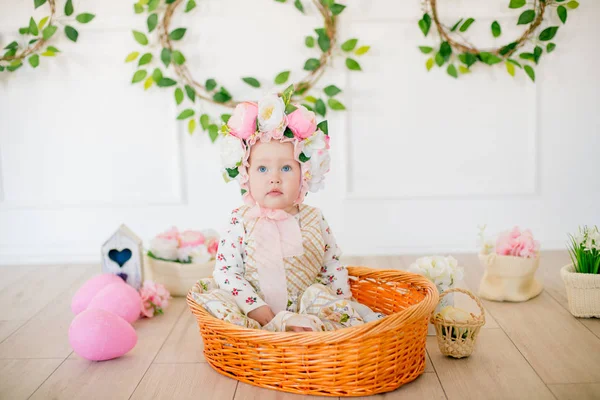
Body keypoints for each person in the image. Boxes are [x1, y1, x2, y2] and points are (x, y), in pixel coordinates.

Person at [191, 87, 383, 332]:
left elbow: (331, 266)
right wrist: (256, 308)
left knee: (329, 302)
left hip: (308, 313)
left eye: (286, 168)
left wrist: (342, 301)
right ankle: (270, 328)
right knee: (217, 302)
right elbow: (227, 272)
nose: (274, 178)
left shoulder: (314, 218)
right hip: (255, 316)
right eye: (262, 169)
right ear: (245, 175)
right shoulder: (240, 221)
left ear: (304, 174)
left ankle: (334, 331)